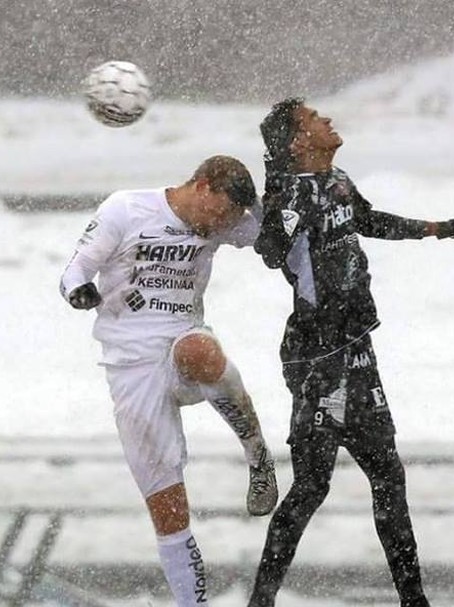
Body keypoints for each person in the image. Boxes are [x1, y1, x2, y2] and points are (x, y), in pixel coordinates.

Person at [247, 98, 454, 607]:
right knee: (313, 487)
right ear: (297, 141)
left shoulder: (337, 180)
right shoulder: (293, 191)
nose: (328, 121)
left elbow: (369, 220)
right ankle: (261, 601)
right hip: (318, 356)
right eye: (315, 119)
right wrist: (279, 195)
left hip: (358, 351)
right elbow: (270, 252)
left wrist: (443, 228)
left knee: (389, 478)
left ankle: (414, 600)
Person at [59, 155, 279, 606]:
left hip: (181, 337)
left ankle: (258, 456)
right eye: (217, 214)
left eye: (228, 220)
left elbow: (276, 237)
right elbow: (73, 271)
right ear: (200, 186)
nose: (217, 226)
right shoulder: (126, 208)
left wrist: (274, 201)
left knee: (199, 351)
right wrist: (79, 292)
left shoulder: (223, 221)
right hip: (130, 365)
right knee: (169, 511)